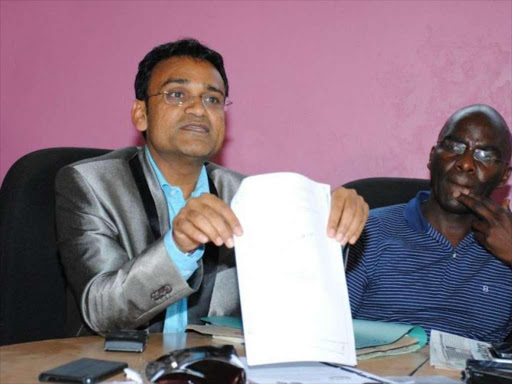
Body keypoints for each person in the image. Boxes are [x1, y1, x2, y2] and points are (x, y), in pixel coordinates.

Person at [55, 39, 369, 335]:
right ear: (141, 114)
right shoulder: (91, 184)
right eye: (177, 94)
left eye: (212, 99)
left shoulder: (248, 194)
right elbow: (100, 311)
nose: (197, 109)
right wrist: (177, 248)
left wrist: (327, 223)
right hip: (117, 368)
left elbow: (293, 299)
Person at [346, 104, 512, 342]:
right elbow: (326, 335)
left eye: (485, 155)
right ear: (432, 156)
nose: (465, 163)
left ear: (503, 177)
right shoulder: (369, 231)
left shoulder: (508, 243)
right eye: (455, 147)